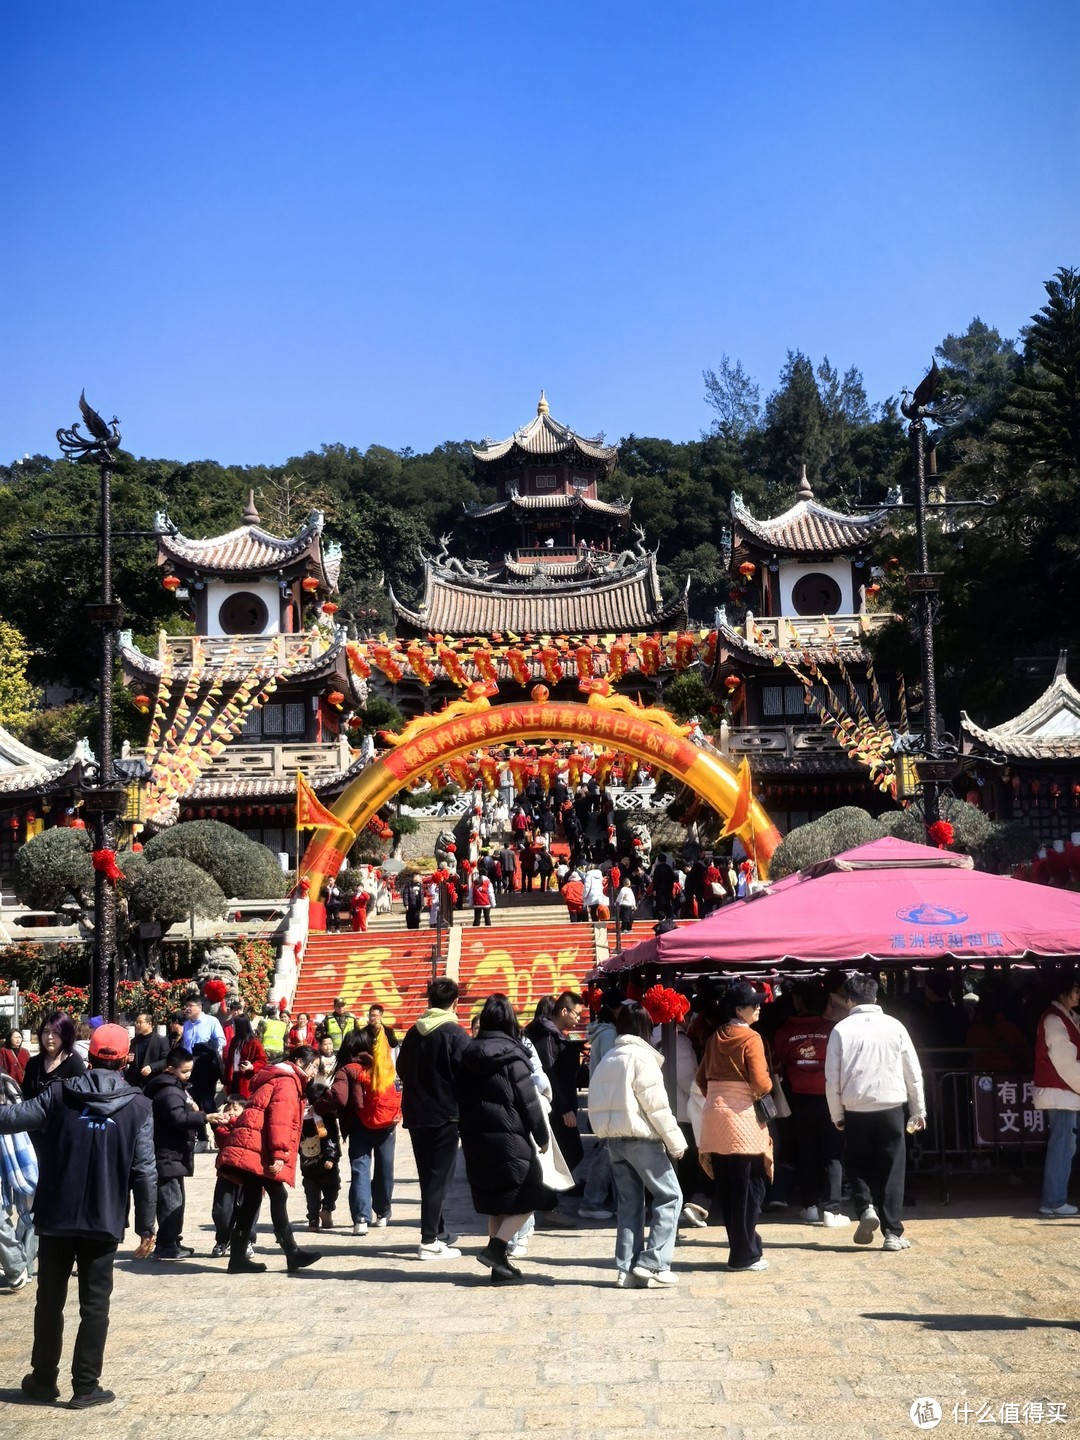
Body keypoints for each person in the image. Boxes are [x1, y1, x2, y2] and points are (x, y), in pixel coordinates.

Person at [0, 1023, 155, 1408]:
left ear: (88, 1056)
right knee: (95, 1303)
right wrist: (147, 1224)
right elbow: (144, 1170)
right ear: (125, 1058)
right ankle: (85, 1386)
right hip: (104, 1217)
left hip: (56, 1214)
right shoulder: (139, 1106)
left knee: (49, 1299)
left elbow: (10, 1118)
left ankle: (42, 1380)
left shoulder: (58, 1094)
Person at [455, 994, 555, 1283]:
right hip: (510, 1138)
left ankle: (499, 1267)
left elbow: (457, 1095)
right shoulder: (514, 1056)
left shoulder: (468, 1055)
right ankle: (496, 1249)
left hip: (476, 1138)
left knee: (496, 1201)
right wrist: (542, 1135)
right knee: (531, 1193)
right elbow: (529, 1102)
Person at [825, 973, 926, 1252]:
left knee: (857, 1163)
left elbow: (831, 1078)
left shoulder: (841, 1030)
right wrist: (919, 1110)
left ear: (849, 1000)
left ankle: (865, 1206)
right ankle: (893, 1231)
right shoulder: (895, 1026)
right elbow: (913, 1071)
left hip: (856, 1107)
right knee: (893, 1167)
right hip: (892, 1105)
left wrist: (837, 1115)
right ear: (876, 997)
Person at [588, 1000, 685, 1287]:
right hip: (642, 1139)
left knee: (629, 1204)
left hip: (614, 1141)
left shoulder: (610, 1057)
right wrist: (675, 1141)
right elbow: (657, 1107)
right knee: (671, 1197)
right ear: (646, 1027)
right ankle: (654, 1262)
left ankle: (625, 1268)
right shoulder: (642, 1058)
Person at [216, 1044, 322, 1274]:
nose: (315, 1071)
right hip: (259, 1149)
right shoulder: (287, 1081)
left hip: (254, 1146)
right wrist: (280, 1154)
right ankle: (291, 1253)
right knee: (277, 1194)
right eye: (313, 1066)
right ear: (300, 1062)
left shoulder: (282, 1078)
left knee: (253, 1198)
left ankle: (237, 1259)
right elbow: (279, 1120)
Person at [695, 980, 773, 1272]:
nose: (758, 1009)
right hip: (742, 1120)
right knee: (750, 1186)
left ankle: (743, 1247)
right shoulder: (751, 1038)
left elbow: (701, 1079)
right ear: (740, 1010)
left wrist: (719, 1097)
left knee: (728, 1189)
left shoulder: (716, 1036)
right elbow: (761, 1082)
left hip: (714, 1118)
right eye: (754, 1005)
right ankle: (744, 1254)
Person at [396, 977, 469, 1260]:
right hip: (444, 1114)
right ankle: (428, 1240)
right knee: (440, 1178)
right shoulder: (454, 1033)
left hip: (416, 1112)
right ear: (454, 1002)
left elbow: (401, 1067)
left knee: (429, 1175)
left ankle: (438, 1231)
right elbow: (465, 1074)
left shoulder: (415, 1033)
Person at [773, 983, 849, 1227]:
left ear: (798, 1002)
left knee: (806, 1151)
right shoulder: (834, 1030)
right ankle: (833, 1208)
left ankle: (810, 1206)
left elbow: (780, 1061)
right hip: (830, 1097)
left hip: (799, 1099)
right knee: (833, 1152)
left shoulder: (784, 1031)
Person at [146, 1047, 225, 1261]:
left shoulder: (176, 1086)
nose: (188, 1075)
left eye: (190, 1070)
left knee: (175, 1198)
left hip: (174, 1152)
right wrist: (204, 1117)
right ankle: (165, 1244)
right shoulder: (169, 1091)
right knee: (171, 1200)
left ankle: (172, 1239)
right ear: (171, 1069)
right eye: (184, 1071)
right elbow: (178, 1118)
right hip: (167, 1152)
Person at [320, 1029, 400, 1235]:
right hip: (386, 1124)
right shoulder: (381, 1065)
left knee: (360, 1170)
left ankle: (361, 1219)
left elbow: (339, 1098)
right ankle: (382, 1213)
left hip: (358, 1125)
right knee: (385, 1169)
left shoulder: (348, 1069)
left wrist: (318, 1106)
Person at [1032, 966, 1080, 1217]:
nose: (1078, 993)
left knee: (1065, 1146)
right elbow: (1066, 1064)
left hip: (1065, 1093)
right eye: (1075, 988)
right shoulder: (1055, 1019)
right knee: (1062, 1146)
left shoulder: (1065, 1017)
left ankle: (1055, 1198)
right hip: (1061, 1093)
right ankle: (1053, 1200)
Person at [0, 1069, 37, 1291]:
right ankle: (16, 1263)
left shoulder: (5, 1083)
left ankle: (23, 1262)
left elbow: (21, 1120)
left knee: (31, 1205)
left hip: (14, 1150)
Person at [209, 1095, 256, 1259]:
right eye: (228, 1110)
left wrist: (232, 1119)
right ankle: (223, 1239)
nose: (231, 1114)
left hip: (249, 1174)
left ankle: (246, 1241)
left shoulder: (251, 1125)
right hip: (226, 1175)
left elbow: (242, 1135)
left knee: (248, 1210)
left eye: (236, 1110)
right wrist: (223, 1120)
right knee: (221, 1211)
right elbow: (225, 1137)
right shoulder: (222, 1129)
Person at [300, 1080, 342, 1232]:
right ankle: (327, 1208)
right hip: (326, 1164)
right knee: (333, 1186)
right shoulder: (325, 1116)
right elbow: (331, 1138)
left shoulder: (300, 1117)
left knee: (311, 1192)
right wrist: (331, 1157)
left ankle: (313, 1219)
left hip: (307, 1164)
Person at [21, 1012, 86, 1102]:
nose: (49, 1037)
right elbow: (25, 1096)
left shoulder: (75, 1063)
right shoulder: (34, 1063)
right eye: (46, 1031)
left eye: (56, 1032)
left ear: (66, 1035)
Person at [222, 1014, 267, 1099]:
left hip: (245, 1079)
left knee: (243, 1103)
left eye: (235, 1025)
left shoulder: (254, 1042)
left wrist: (252, 1066)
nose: (233, 1027)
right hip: (233, 1078)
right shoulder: (234, 1040)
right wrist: (226, 1082)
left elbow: (263, 1060)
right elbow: (229, 1062)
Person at [124, 1013, 169, 1089]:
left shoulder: (161, 1040)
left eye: (140, 1022)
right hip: (134, 1082)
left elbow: (166, 1060)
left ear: (149, 1024)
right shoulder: (135, 1040)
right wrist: (128, 1059)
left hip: (152, 1081)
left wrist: (152, 1067)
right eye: (136, 1022)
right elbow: (130, 1057)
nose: (137, 1025)